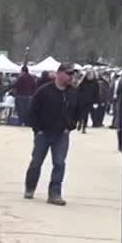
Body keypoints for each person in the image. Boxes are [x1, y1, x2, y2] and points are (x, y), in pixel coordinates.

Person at [24, 63, 80, 206]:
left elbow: (78, 111)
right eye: (68, 73)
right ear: (59, 73)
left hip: (62, 133)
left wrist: (70, 126)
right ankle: (30, 187)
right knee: (36, 162)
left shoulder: (73, 92)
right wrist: (38, 130)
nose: (71, 77)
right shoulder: (44, 91)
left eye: (72, 74)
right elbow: (32, 111)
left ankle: (55, 193)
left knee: (59, 163)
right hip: (43, 133)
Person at [76, 70, 100, 134]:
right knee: (80, 113)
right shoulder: (83, 82)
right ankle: (80, 122)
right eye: (89, 75)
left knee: (86, 114)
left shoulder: (95, 83)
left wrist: (96, 102)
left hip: (89, 101)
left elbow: (96, 93)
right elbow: (78, 91)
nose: (90, 76)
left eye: (92, 75)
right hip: (81, 100)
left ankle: (84, 127)